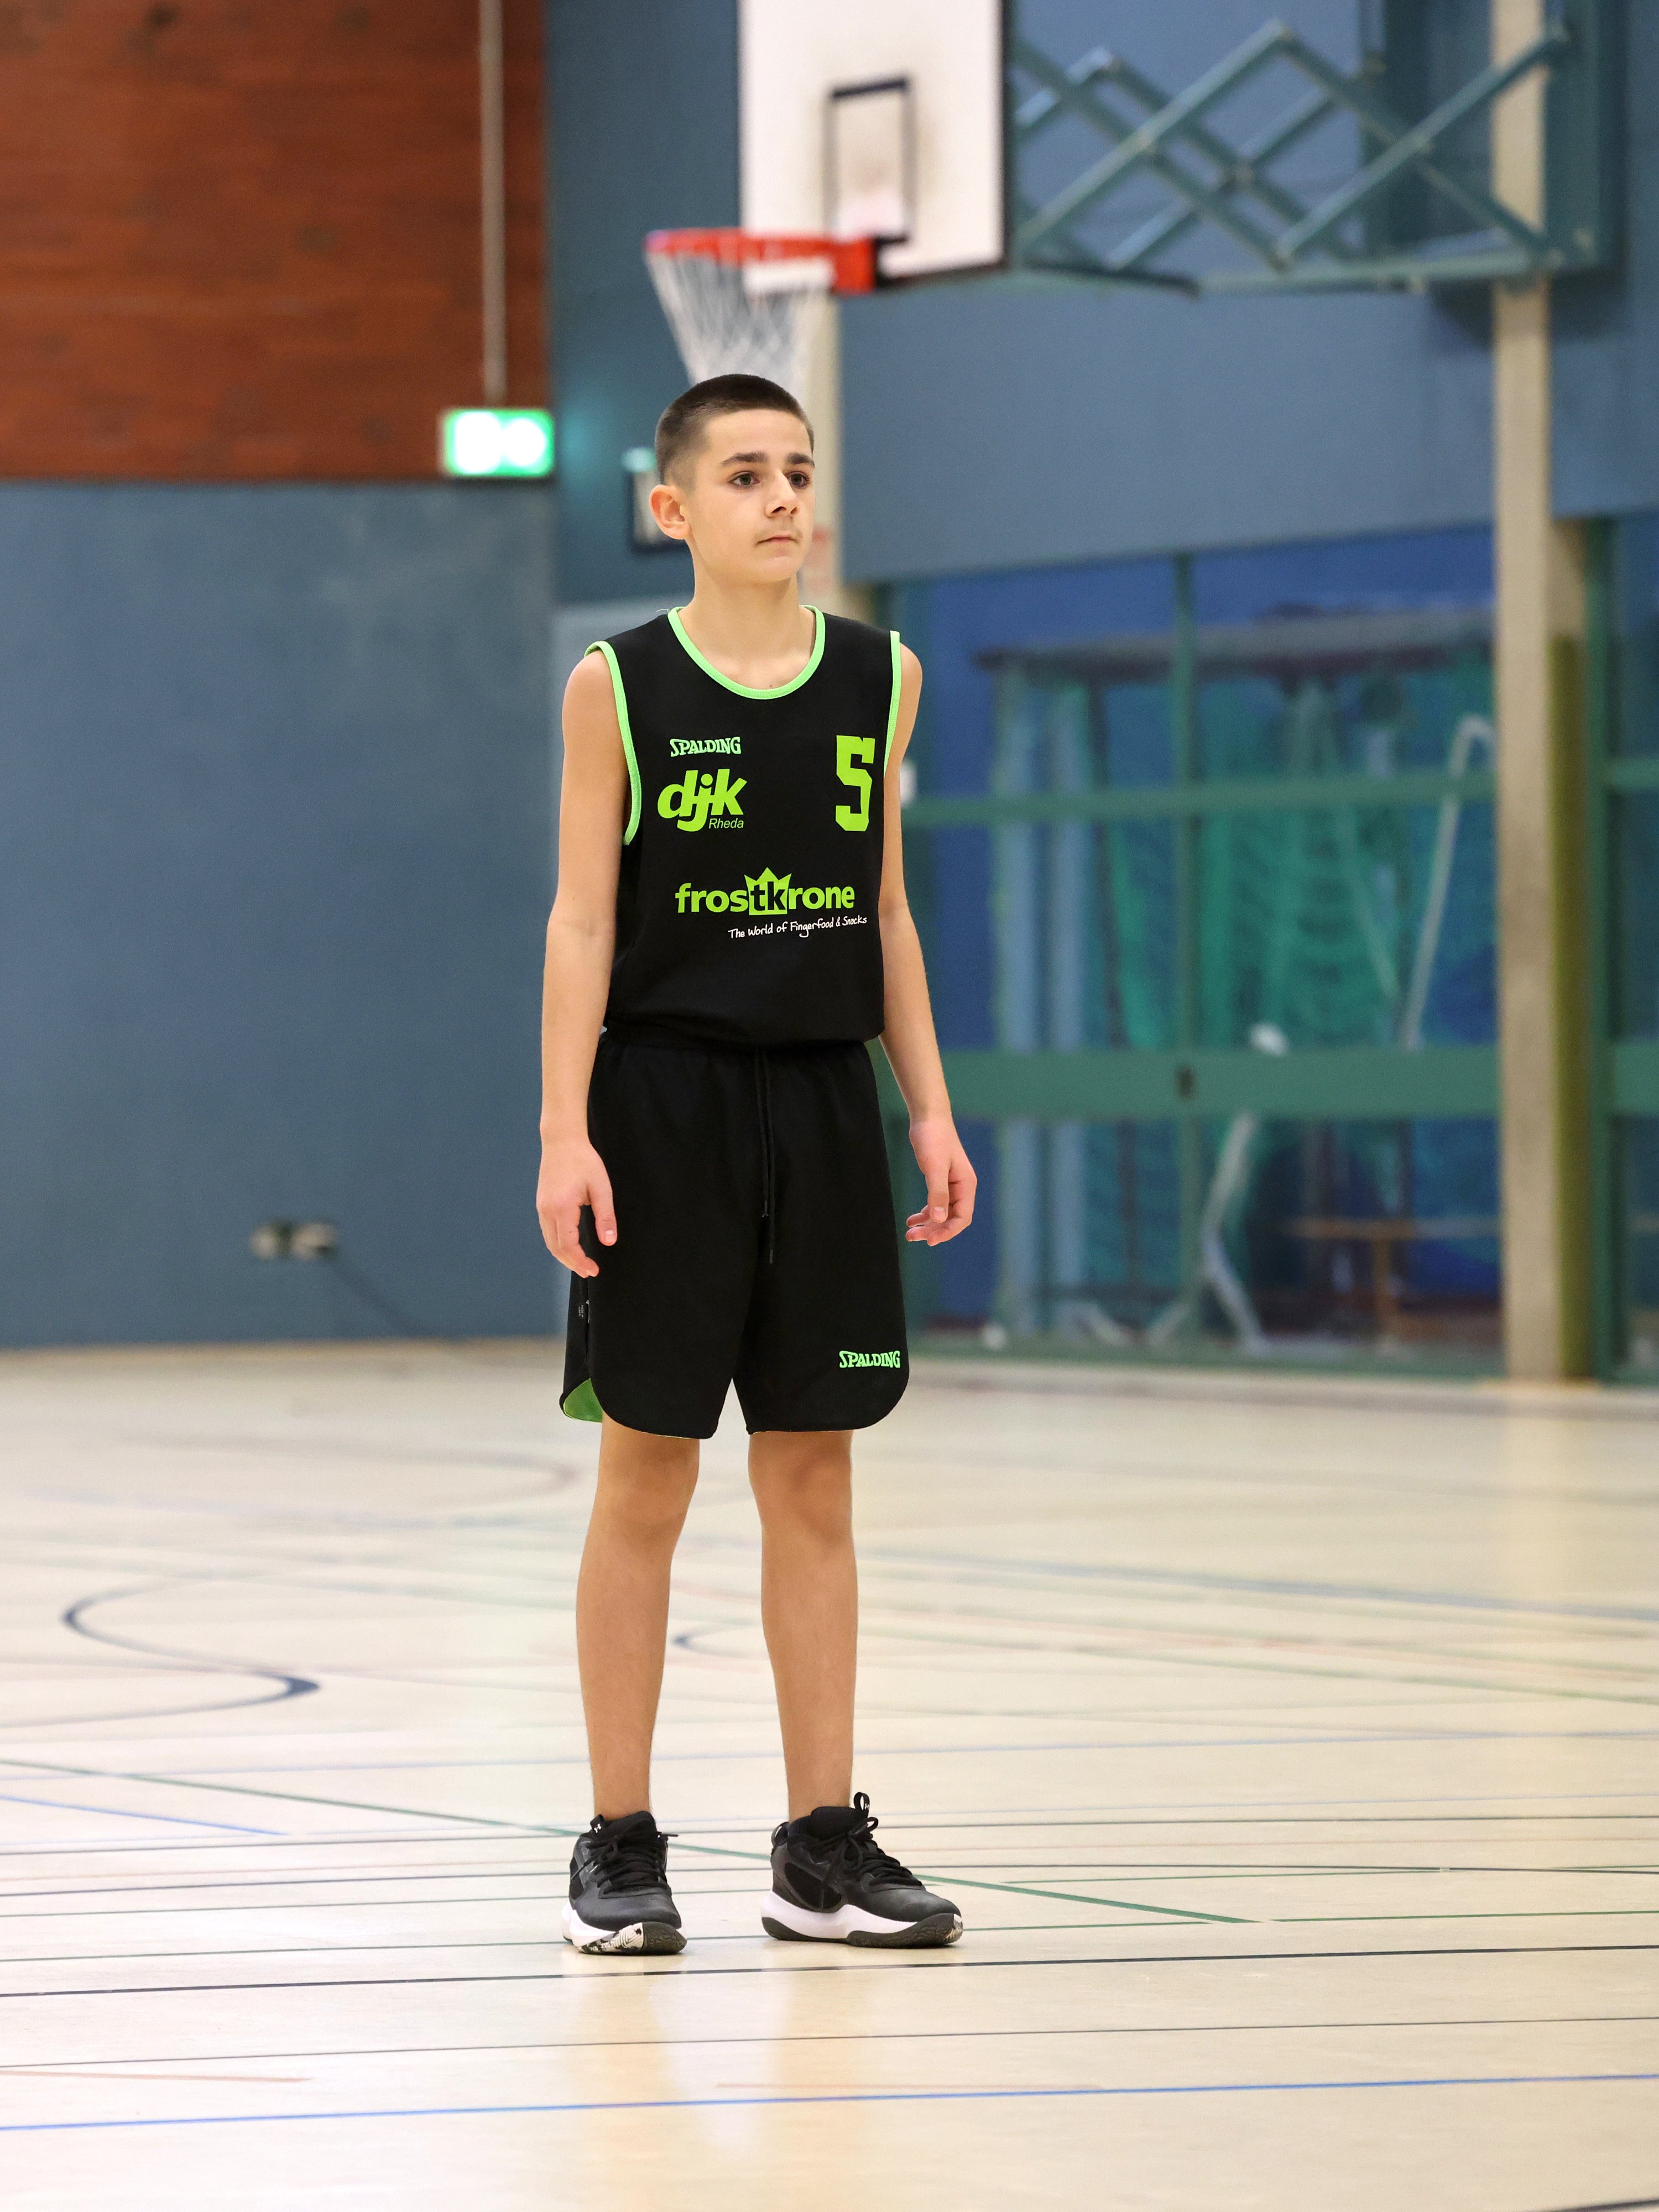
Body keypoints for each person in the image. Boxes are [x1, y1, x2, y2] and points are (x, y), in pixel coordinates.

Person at [536, 372, 975, 1956]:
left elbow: (889, 908)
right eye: (744, 475)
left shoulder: (881, 675)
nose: (782, 497)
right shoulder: (618, 686)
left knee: (814, 1473)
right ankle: (618, 1839)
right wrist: (565, 1129)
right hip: (664, 1107)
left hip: (824, 1106)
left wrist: (928, 1107)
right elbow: (582, 920)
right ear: (673, 508)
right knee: (646, 1473)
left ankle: (818, 1849)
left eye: (796, 470)